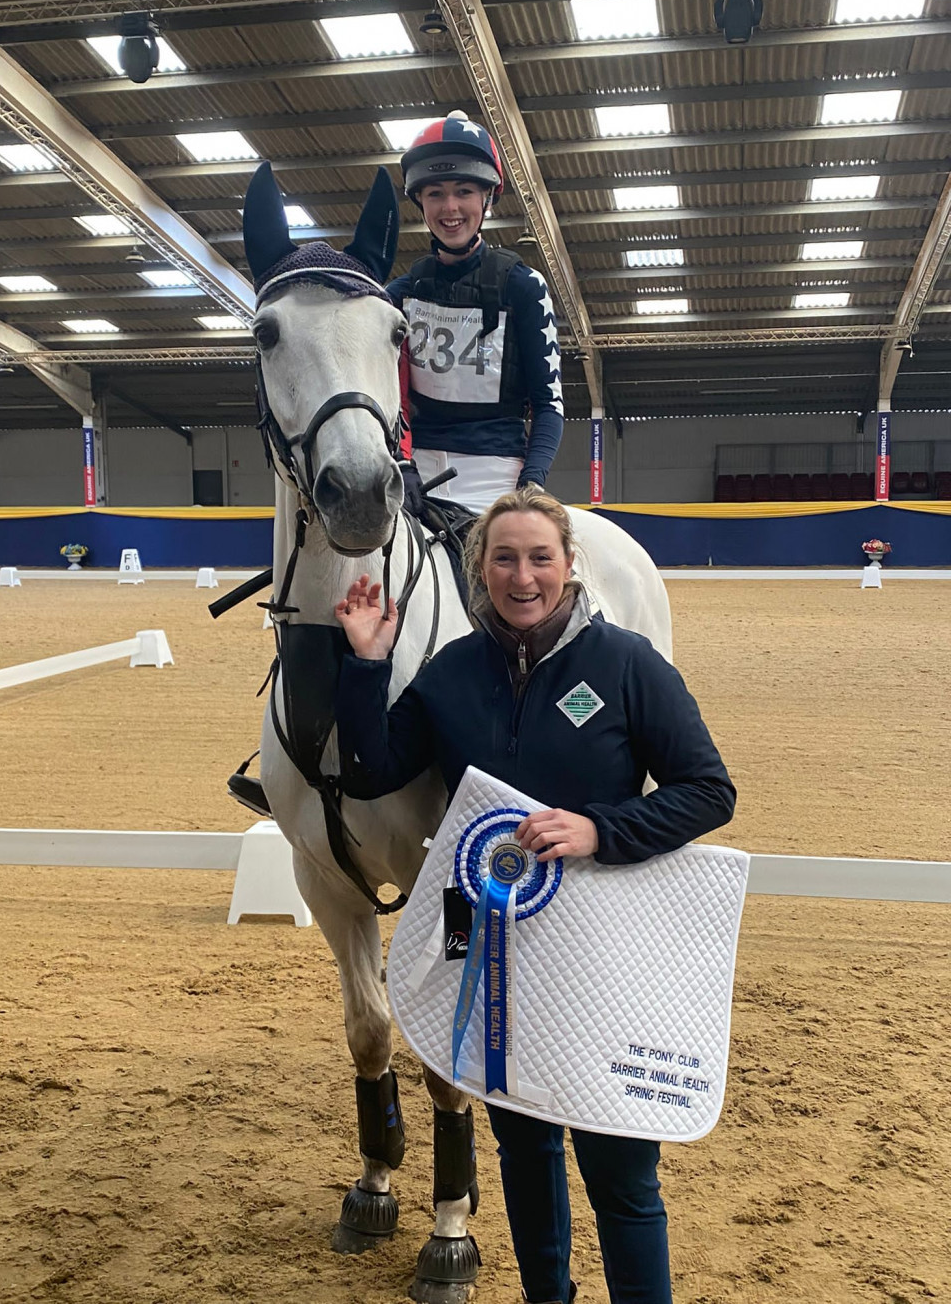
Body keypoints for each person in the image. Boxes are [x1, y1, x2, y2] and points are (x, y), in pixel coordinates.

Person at [334, 483, 736, 1304]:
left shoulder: (626, 664)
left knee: (620, 1170)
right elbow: (373, 770)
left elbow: (708, 790)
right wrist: (365, 665)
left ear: (568, 563)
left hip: (599, 954)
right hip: (488, 947)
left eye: (540, 557)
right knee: (523, 1149)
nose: (523, 577)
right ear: (480, 568)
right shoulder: (450, 672)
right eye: (505, 558)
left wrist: (600, 829)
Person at [391, 112, 565, 514]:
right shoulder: (397, 297)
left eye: (464, 191)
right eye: (435, 193)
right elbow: (392, 399)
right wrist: (402, 462)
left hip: (498, 475)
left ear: (486, 197)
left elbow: (548, 404)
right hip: (414, 473)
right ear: (420, 201)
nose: (450, 207)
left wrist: (531, 484)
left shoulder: (524, 287)